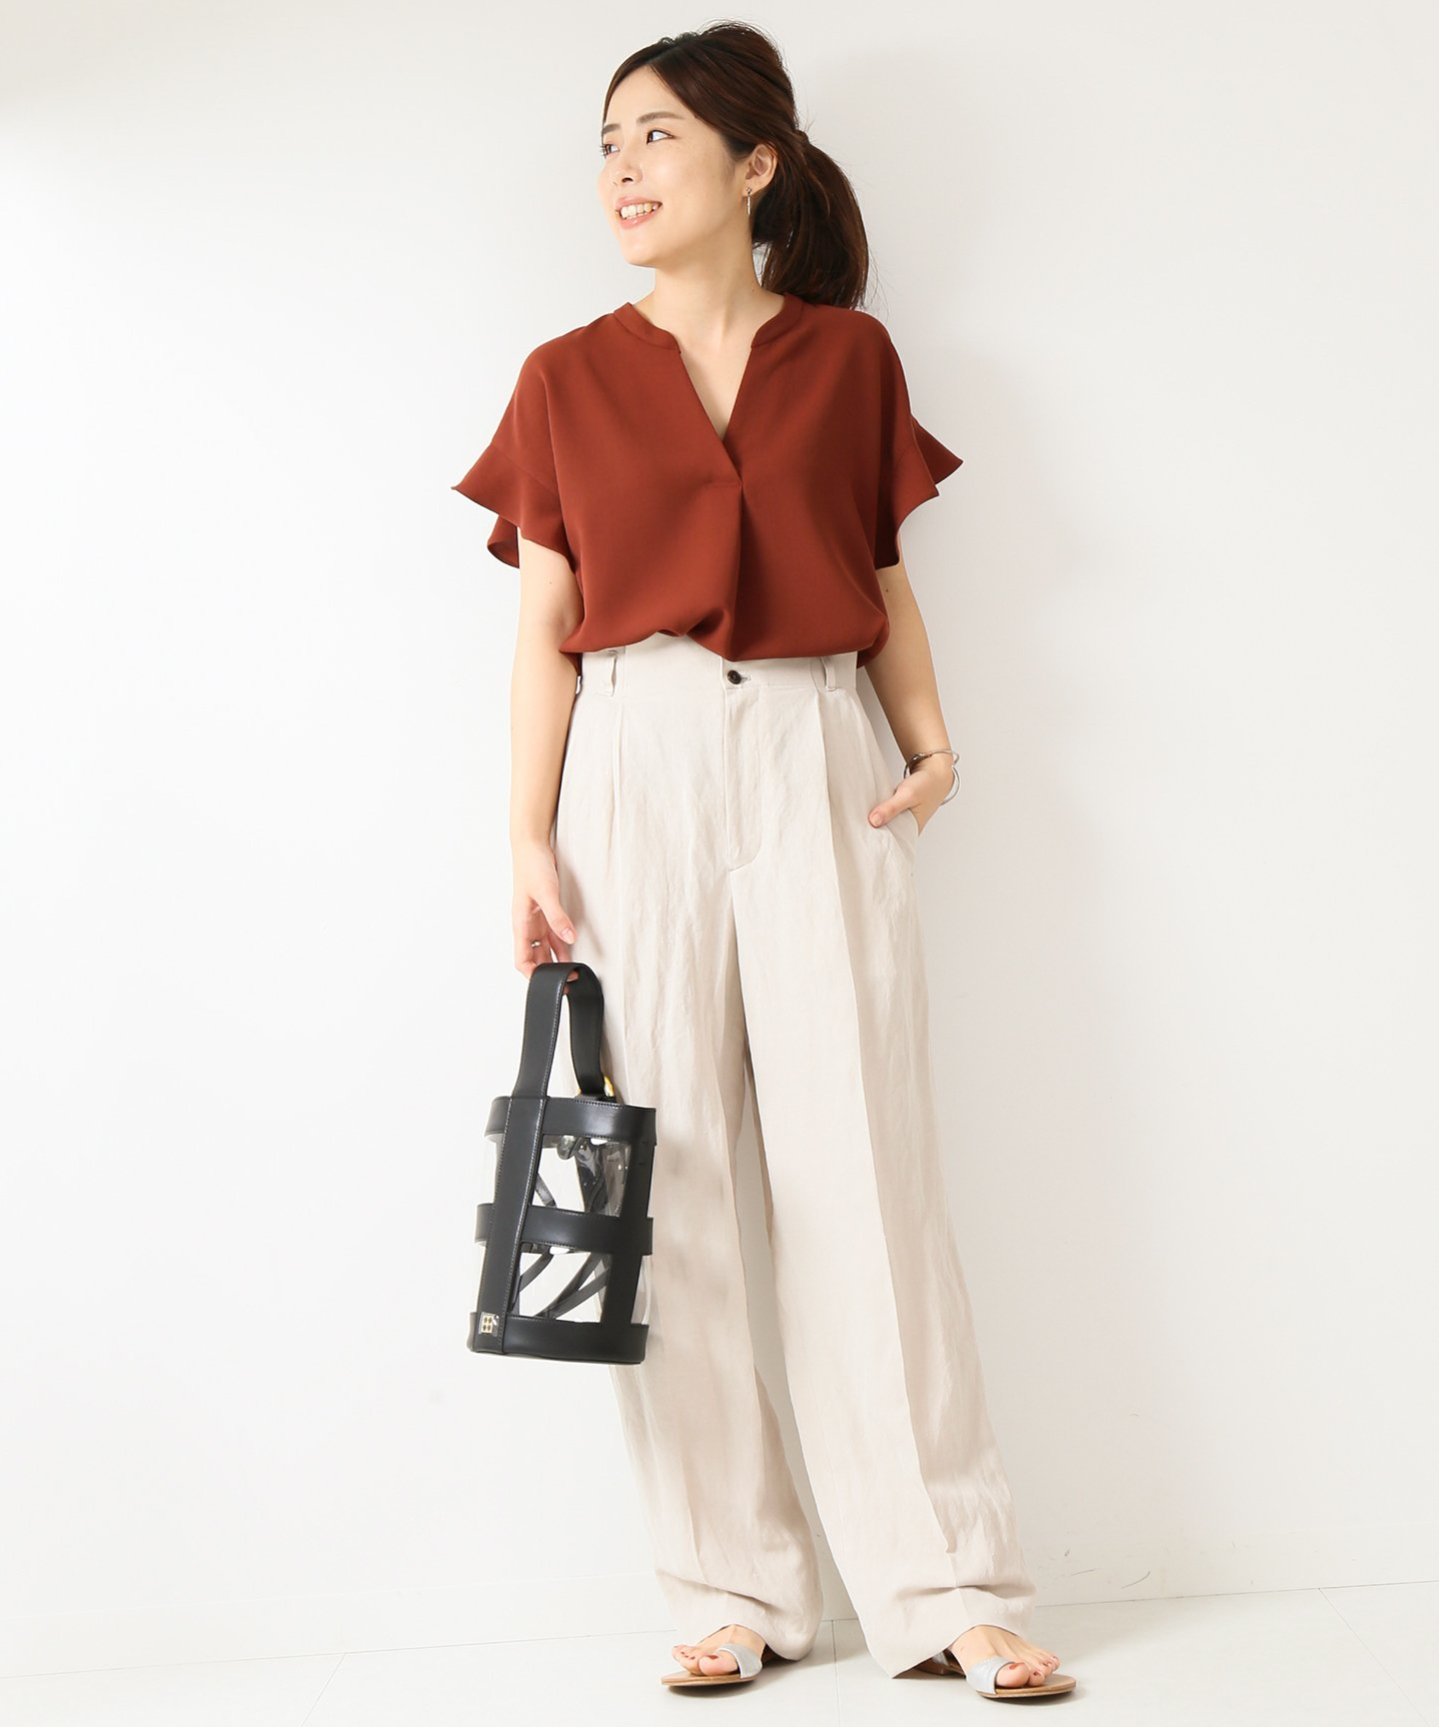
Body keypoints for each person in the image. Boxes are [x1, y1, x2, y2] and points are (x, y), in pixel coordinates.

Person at [453, 23, 1075, 1703]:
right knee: (669, 1186)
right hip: (632, 769)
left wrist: (932, 744)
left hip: (816, 754)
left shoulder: (849, 359)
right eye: (606, 143)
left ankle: (946, 1585)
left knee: (867, 1176)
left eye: (656, 136)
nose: (622, 170)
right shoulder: (564, 377)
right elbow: (546, 632)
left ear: (756, 165)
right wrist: (527, 835)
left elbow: (881, 573)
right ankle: (733, 1588)